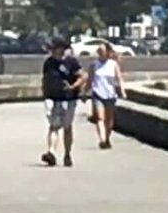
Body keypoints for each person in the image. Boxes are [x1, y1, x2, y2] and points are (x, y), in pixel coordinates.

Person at [40, 33, 83, 167]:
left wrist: (73, 87)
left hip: (68, 99)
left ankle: (67, 154)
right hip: (52, 98)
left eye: (55, 47)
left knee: (67, 127)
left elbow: (83, 76)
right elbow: (45, 79)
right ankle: (51, 152)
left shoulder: (71, 62)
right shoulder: (48, 62)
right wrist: (45, 92)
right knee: (53, 126)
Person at [87, 39, 124, 149]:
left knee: (109, 119)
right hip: (98, 93)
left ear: (107, 52)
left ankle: (107, 138)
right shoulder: (94, 65)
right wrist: (85, 92)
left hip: (110, 94)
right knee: (100, 117)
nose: (100, 53)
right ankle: (102, 139)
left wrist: (122, 90)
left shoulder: (113, 64)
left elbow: (119, 79)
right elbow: (90, 80)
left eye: (102, 51)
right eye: (99, 51)